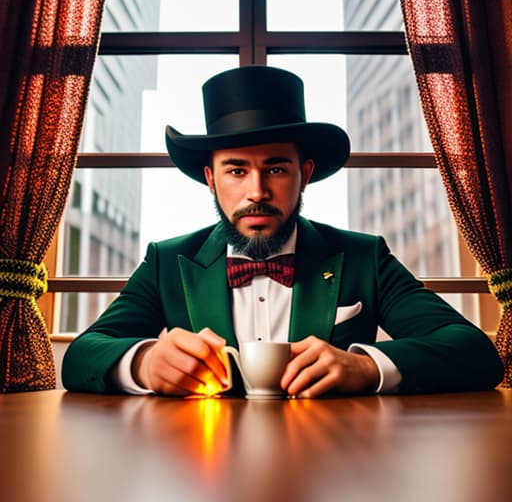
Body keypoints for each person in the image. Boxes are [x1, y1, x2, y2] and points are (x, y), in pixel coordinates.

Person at [62, 65, 503, 397]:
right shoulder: (166, 261)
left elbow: (474, 352)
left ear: (304, 173)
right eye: (236, 170)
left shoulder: (364, 257)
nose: (257, 191)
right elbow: (83, 355)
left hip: (336, 462)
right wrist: (143, 363)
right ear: (211, 178)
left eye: (275, 167)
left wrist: (366, 367)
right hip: (201, 467)